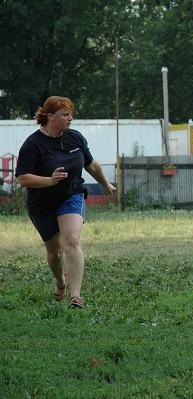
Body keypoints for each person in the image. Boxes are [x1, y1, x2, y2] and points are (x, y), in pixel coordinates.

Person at [15, 96, 116, 309]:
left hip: (71, 195)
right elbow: (23, 178)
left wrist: (106, 184)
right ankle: (61, 282)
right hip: (42, 204)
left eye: (70, 114)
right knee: (55, 252)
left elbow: (91, 165)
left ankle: (76, 296)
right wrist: (50, 181)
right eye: (65, 114)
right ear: (50, 117)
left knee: (71, 240)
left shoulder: (75, 138)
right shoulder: (33, 144)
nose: (70, 118)